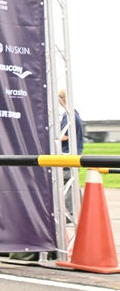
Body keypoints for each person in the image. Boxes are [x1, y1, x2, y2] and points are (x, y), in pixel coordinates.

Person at [59, 87, 84, 217]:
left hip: (67, 153)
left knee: (67, 184)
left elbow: (65, 136)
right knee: (73, 183)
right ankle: (79, 210)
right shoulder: (75, 114)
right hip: (75, 152)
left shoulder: (68, 116)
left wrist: (52, 137)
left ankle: (70, 213)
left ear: (63, 100)